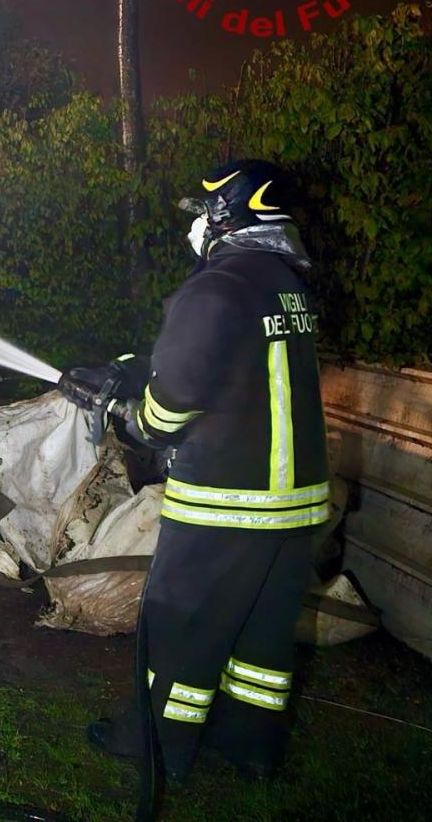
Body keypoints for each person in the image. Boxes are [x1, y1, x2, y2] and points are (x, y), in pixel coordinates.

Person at [59, 159, 330, 782]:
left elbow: (170, 408)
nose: (197, 226)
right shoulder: (282, 284)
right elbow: (225, 361)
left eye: (203, 212)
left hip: (227, 502)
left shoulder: (213, 287)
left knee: (180, 624)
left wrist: (134, 417)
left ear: (228, 214)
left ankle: (154, 746)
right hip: (296, 506)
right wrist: (133, 366)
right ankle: (249, 746)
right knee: (260, 639)